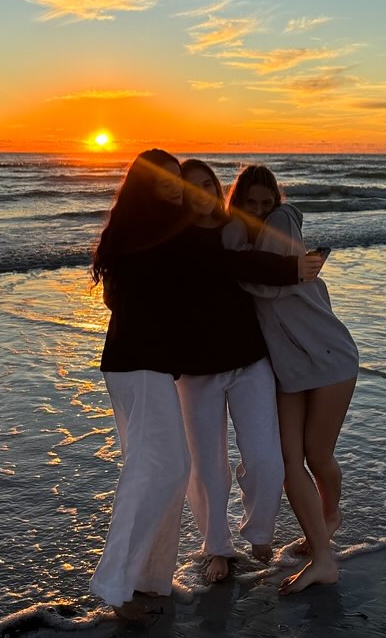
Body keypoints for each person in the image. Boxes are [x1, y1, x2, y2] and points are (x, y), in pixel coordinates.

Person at [89, 149, 325, 621]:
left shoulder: (156, 228)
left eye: (177, 178)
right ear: (143, 185)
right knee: (154, 473)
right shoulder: (154, 231)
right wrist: (289, 270)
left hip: (153, 366)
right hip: (138, 366)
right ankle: (116, 588)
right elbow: (220, 260)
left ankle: (148, 580)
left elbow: (217, 259)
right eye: (165, 179)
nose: (174, 185)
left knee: (170, 470)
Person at [226, 164, 359, 595]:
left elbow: (273, 285)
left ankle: (330, 516)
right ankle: (323, 556)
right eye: (250, 203)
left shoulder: (283, 226)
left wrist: (237, 263)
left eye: (266, 202)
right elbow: (251, 268)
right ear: (237, 202)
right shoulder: (245, 244)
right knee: (288, 462)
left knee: (317, 455)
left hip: (330, 358)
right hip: (288, 368)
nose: (259, 211)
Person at [175, 159, 284, 583]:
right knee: (207, 468)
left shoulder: (238, 229)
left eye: (208, 184)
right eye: (191, 186)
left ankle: (259, 531)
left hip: (250, 359)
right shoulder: (172, 238)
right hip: (195, 368)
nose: (201, 193)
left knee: (265, 459)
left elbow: (269, 265)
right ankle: (216, 548)